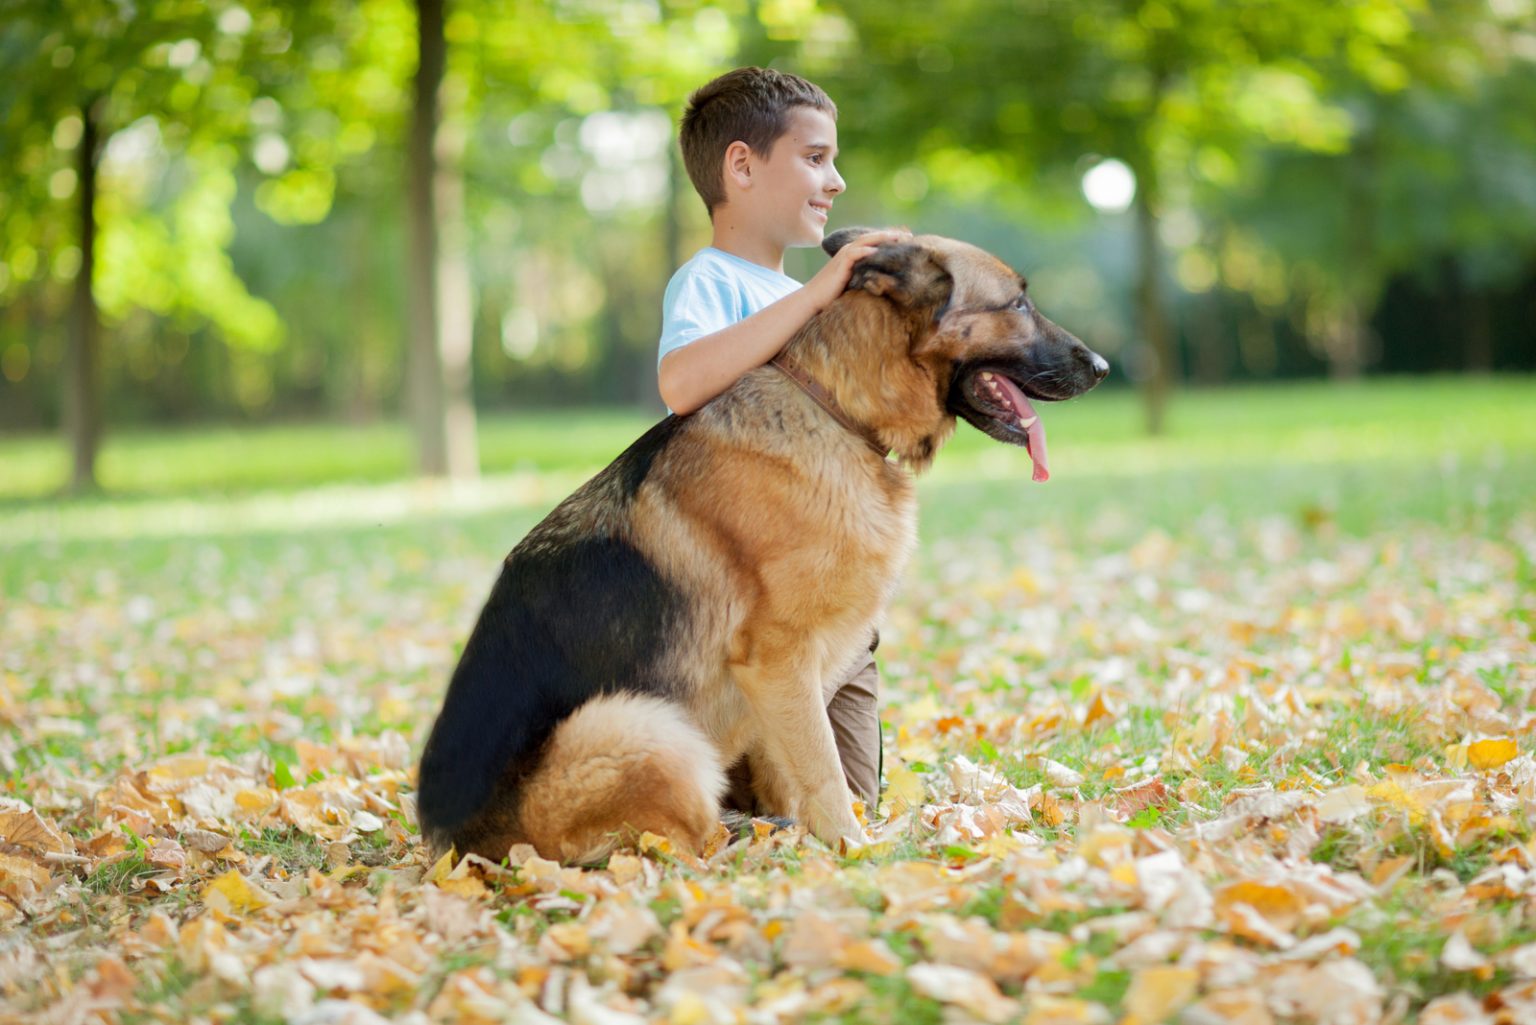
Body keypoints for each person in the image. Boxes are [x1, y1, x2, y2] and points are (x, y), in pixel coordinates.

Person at [657, 66, 907, 812]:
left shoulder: (808, 294)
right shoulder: (711, 282)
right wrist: (818, 292)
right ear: (741, 166)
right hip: (755, 608)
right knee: (757, 802)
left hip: (837, 607)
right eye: (815, 157)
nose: (835, 180)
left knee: (854, 795)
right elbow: (681, 385)